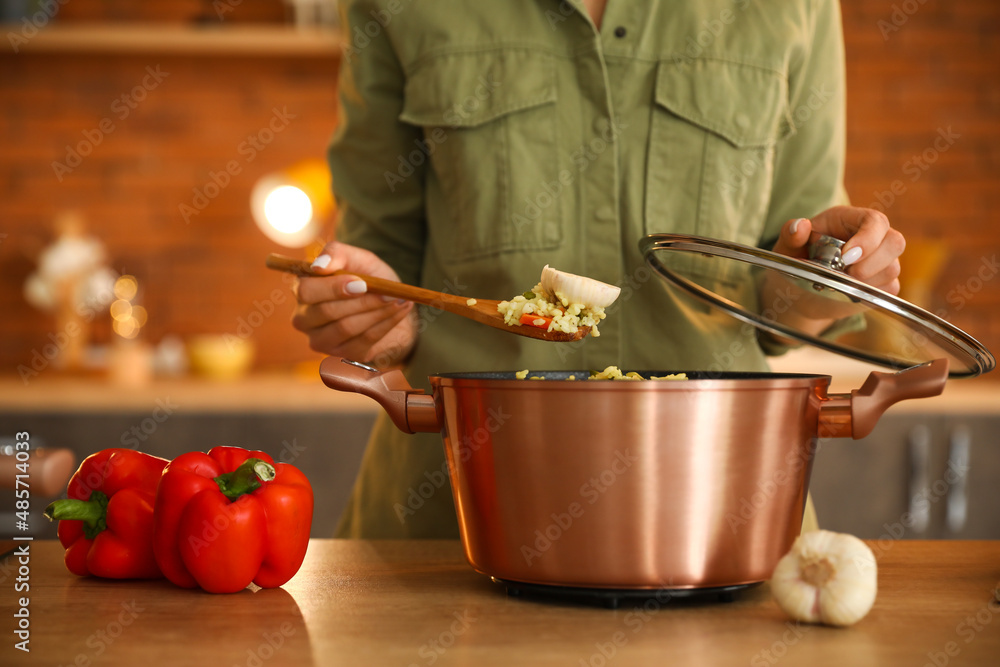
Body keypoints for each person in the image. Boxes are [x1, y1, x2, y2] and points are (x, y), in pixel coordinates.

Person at [292, 0, 905, 538]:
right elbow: (383, 261)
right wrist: (373, 316)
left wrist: (831, 278)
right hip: (460, 513)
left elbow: (786, 305)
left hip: (720, 519)